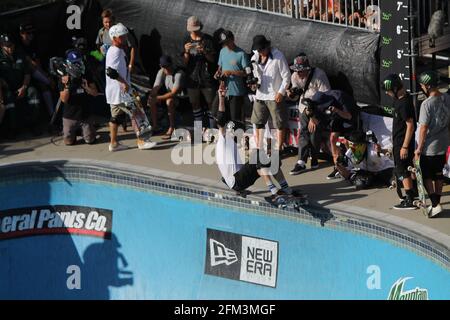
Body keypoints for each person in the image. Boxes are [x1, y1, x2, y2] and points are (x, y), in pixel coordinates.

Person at [215, 82, 295, 199]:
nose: (241, 136)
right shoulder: (223, 139)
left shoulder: (230, 141)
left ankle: (286, 188)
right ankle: (274, 191)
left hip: (238, 179)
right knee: (260, 156)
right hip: (237, 181)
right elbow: (221, 119)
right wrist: (221, 98)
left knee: (270, 158)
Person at [105, 23, 156, 151]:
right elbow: (110, 71)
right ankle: (142, 141)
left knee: (115, 118)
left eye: (125, 36)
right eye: (122, 36)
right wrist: (123, 82)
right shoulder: (115, 52)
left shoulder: (114, 50)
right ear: (114, 38)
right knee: (137, 114)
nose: (124, 38)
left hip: (113, 93)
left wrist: (127, 69)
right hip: (122, 92)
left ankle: (113, 144)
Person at [287, 53, 331, 175]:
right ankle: (301, 161)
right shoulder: (295, 76)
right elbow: (296, 92)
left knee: (314, 133)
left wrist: (314, 117)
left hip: (318, 107)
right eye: (296, 71)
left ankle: (315, 157)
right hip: (303, 107)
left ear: (307, 69)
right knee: (303, 132)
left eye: (301, 71)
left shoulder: (319, 75)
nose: (298, 73)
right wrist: (291, 94)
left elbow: (326, 96)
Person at [415, 71, 450, 217]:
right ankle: (436, 204)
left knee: (427, 175)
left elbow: (423, 128)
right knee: (439, 174)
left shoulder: (426, 104)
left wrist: (419, 148)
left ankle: (435, 204)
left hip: (429, 147)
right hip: (443, 143)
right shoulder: (447, 98)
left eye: (422, 85)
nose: (422, 87)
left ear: (427, 86)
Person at [305, 90, 359, 179]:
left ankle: (352, 164)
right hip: (336, 117)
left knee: (346, 140)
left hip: (349, 115)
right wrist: (311, 118)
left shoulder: (340, 97)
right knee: (332, 138)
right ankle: (337, 165)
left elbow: (349, 116)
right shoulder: (316, 101)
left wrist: (337, 110)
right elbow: (309, 111)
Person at [250, 35, 291, 153]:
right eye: (258, 50)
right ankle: (259, 148)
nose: (260, 52)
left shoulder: (278, 56)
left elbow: (286, 76)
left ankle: (279, 149)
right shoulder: (255, 57)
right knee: (258, 122)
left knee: (279, 123)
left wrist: (281, 92)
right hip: (260, 95)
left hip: (274, 95)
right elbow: (255, 76)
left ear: (267, 46)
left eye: (262, 50)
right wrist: (254, 84)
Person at [382, 74, 417, 210]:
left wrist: (404, 146)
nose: (387, 93)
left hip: (403, 143)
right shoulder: (400, 100)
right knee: (406, 167)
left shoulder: (404, 104)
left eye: (388, 90)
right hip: (399, 141)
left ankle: (409, 198)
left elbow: (410, 126)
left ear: (395, 89)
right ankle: (413, 193)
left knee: (402, 170)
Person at [0, 34, 41, 137]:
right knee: (9, 99)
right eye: (7, 46)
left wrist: (24, 87)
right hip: (7, 88)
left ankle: (33, 124)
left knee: (33, 93)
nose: (10, 48)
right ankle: (13, 128)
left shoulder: (19, 55)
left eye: (11, 45)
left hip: (22, 85)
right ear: (1, 46)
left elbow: (27, 73)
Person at [182, 16, 217, 131]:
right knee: (195, 104)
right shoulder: (186, 40)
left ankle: (213, 129)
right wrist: (187, 52)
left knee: (211, 103)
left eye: (196, 28)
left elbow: (213, 60)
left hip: (206, 76)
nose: (194, 31)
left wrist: (204, 51)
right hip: (192, 77)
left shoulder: (207, 39)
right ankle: (198, 130)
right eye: (192, 29)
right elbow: (184, 62)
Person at [59, 50, 98, 145]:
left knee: (90, 140)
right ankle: (73, 131)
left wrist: (86, 87)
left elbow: (95, 93)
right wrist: (67, 86)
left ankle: (84, 131)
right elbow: (63, 99)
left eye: (78, 62)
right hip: (70, 115)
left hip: (85, 114)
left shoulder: (86, 74)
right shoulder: (64, 77)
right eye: (74, 63)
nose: (77, 65)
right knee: (68, 142)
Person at [213, 30, 250, 129]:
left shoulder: (241, 54)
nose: (226, 45)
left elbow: (247, 73)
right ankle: (221, 137)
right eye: (224, 43)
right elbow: (220, 68)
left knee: (235, 120)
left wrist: (231, 72)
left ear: (233, 39)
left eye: (227, 42)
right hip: (223, 90)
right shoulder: (222, 51)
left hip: (236, 92)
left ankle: (236, 140)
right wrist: (218, 73)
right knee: (216, 114)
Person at [17, 23, 55, 118]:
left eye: (32, 33)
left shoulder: (33, 44)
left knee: (44, 86)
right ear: (21, 33)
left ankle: (53, 115)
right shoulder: (18, 46)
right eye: (27, 33)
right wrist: (48, 79)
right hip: (23, 76)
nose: (31, 35)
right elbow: (31, 63)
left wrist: (46, 75)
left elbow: (37, 63)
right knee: (46, 81)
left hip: (36, 74)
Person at [148, 55, 184, 139]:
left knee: (169, 101)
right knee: (151, 99)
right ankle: (155, 126)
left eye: (167, 66)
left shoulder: (179, 73)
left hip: (183, 98)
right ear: (161, 66)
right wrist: (152, 97)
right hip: (171, 96)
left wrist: (157, 98)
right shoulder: (161, 71)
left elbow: (173, 93)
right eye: (164, 67)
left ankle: (171, 127)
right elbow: (155, 88)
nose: (166, 69)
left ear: (171, 64)